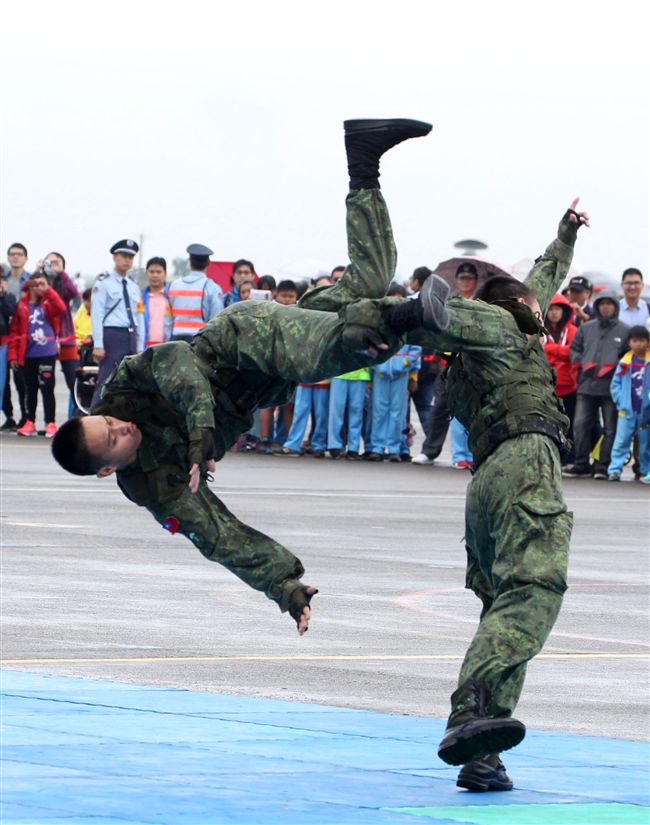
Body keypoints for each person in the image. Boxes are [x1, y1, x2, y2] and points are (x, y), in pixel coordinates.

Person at [51, 117, 449, 636]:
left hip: (243, 340)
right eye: (112, 438)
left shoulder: (123, 388)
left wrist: (198, 433)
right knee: (371, 279)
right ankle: (364, 160)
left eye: (108, 421)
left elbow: (176, 361)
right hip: (268, 377)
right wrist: (283, 585)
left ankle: (408, 316)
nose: (120, 426)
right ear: (108, 470)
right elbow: (217, 535)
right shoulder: (155, 487)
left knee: (332, 350)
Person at [407, 199, 590, 790]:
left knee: (503, 609)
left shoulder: (506, 331)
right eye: (530, 296)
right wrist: (432, 301)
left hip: (486, 481)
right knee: (534, 590)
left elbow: (544, 277)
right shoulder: (500, 323)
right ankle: (469, 711)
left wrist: (564, 235)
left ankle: (481, 753)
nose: (545, 299)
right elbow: (456, 314)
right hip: (523, 462)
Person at [563, 291, 630, 479]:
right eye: (602, 303)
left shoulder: (625, 330)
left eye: (610, 303)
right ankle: (581, 463)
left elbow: (629, 355)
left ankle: (602, 465)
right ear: (598, 306)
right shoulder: (587, 328)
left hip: (611, 388)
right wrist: (583, 362)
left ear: (615, 307)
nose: (606, 307)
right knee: (580, 425)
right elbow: (574, 349)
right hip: (586, 386)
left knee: (610, 428)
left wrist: (616, 366)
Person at [8, 273, 66, 437]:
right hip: (28, 354)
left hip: (47, 353)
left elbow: (61, 308)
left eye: (44, 284)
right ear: (31, 285)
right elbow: (14, 332)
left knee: (47, 387)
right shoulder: (22, 305)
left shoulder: (49, 302)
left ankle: (50, 422)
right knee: (30, 389)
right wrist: (13, 356)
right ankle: (29, 421)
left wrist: (48, 291)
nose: (41, 287)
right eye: (38, 284)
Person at [91, 239, 145, 405]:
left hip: (130, 335)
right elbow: (97, 314)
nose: (127, 260)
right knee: (107, 380)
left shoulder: (133, 286)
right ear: (114, 257)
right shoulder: (103, 283)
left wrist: (140, 345)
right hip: (112, 336)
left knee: (128, 382)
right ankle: (94, 416)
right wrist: (98, 344)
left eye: (131, 257)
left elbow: (139, 316)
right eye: (124, 256)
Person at [37, 252, 80, 418]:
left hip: (66, 338)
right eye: (50, 262)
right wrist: (38, 272)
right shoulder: (41, 281)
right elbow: (27, 291)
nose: (52, 265)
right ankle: (50, 421)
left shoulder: (64, 282)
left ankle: (77, 418)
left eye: (57, 262)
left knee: (73, 381)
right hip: (45, 338)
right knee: (46, 383)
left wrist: (61, 272)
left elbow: (74, 293)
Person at [607, 325, 650, 482]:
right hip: (627, 409)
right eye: (635, 340)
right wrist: (621, 401)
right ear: (629, 342)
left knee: (645, 444)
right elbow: (615, 384)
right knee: (622, 440)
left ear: (647, 342)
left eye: (642, 341)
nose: (638, 344)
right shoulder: (625, 362)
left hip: (646, 411)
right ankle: (615, 469)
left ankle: (646, 471)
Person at [168, 244, 224, 342]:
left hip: (175, 339)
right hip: (199, 340)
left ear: (190, 262)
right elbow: (217, 320)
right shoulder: (212, 287)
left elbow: (168, 317)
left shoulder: (175, 285)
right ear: (208, 263)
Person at [2, 243, 30, 428]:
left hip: (23, 335)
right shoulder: (3, 279)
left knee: (22, 381)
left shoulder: (31, 280)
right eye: (12, 254)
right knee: (3, 382)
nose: (15, 257)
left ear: (25, 258)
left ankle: (26, 416)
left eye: (19, 254)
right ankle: (9, 416)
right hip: (5, 333)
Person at [138, 257, 173, 347]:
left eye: (158, 272)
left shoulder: (172, 296)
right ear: (147, 273)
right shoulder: (140, 297)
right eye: (152, 272)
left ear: (165, 274)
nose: (155, 275)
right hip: (145, 348)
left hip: (168, 347)